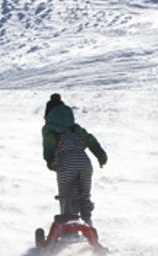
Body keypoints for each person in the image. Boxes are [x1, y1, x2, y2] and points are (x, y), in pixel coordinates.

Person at [41, 94, 108, 224]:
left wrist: (49, 160)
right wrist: (100, 154)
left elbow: (49, 143)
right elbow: (90, 139)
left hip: (66, 162)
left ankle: (68, 226)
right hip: (85, 163)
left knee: (66, 195)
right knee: (84, 194)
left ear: (48, 115)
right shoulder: (75, 128)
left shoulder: (50, 129)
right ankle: (87, 221)